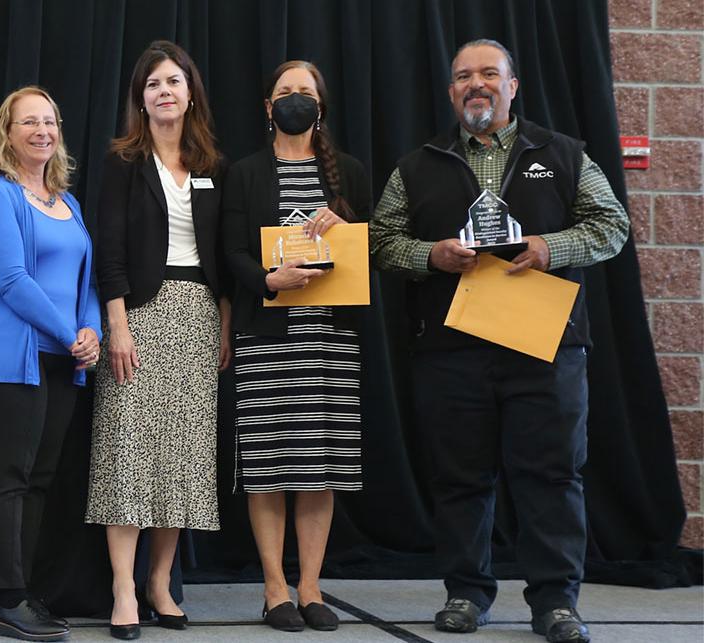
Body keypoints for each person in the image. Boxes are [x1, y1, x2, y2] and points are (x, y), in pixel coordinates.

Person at [369, 39, 627, 643]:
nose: (475, 84)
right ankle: (465, 593)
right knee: (460, 478)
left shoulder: (562, 154)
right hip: (452, 347)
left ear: (514, 86)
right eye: (463, 76)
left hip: (546, 345)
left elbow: (611, 225)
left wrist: (548, 248)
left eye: (489, 74)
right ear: (451, 91)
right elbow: (380, 242)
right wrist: (429, 255)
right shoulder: (418, 164)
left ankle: (556, 603)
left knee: (553, 476)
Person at [84, 40, 229, 640]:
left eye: (173, 81)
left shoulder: (213, 166)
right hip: (138, 318)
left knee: (183, 459)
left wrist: (226, 320)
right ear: (140, 100)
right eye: (152, 85)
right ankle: (123, 586)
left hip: (199, 314)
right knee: (128, 453)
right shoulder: (122, 162)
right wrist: (116, 323)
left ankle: (160, 582)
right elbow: (109, 250)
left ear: (190, 91)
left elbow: (222, 254)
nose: (164, 92)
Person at [222, 60, 371, 633]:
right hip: (268, 337)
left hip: (330, 339)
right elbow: (231, 249)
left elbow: (369, 244)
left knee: (319, 467)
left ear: (321, 106)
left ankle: (310, 585)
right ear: (268, 107)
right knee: (268, 469)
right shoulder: (246, 172)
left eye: (305, 92)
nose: (294, 100)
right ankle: (275, 588)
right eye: (285, 92)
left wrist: (347, 221)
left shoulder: (349, 173)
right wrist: (266, 279)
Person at [0, 86, 101, 642]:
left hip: (63, 359)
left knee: (39, 480)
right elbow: (11, 280)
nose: (42, 131)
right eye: (28, 123)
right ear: (7, 134)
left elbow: (85, 280)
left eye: (50, 122)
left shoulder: (70, 203)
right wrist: (71, 336)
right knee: (10, 476)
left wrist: (90, 329)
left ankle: (24, 593)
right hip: (6, 356)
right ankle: (6, 598)